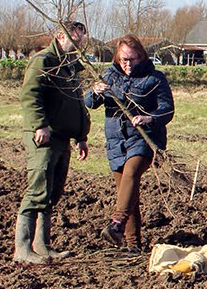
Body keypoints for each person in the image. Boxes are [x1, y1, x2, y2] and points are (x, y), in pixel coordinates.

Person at [85, 34, 175, 256]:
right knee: (128, 193)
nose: (127, 64)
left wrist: (149, 117)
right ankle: (133, 245)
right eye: (124, 60)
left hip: (143, 138)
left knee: (132, 173)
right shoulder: (108, 76)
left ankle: (116, 224)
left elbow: (168, 109)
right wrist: (94, 91)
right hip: (116, 142)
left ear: (141, 57)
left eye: (132, 60)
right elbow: (89, 103)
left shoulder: (155, 79)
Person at [13, 21, 91, 265]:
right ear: (60, 35)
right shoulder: (43, 61)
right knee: (38, 189)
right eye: (74, 41)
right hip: (44, 137)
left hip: (62, 137)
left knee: (53, 191)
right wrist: (39, 124)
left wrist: (81, 136)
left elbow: (76, 102)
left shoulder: (69, 66)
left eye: (80, 42)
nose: (77, 46)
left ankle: (42, 245)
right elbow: (30, 94)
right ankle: (22, 249)